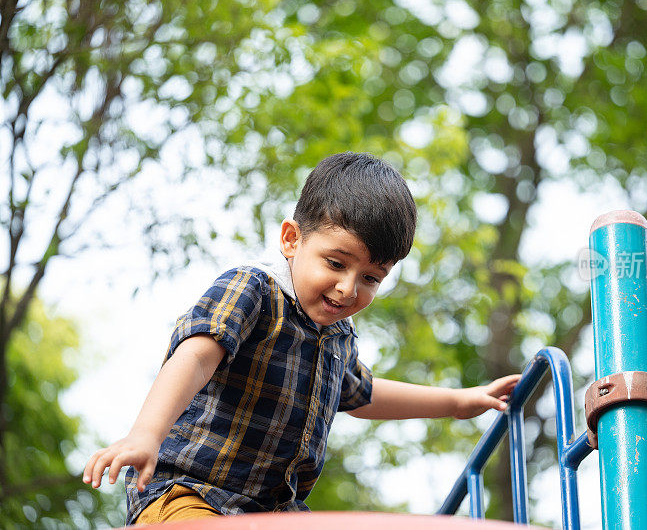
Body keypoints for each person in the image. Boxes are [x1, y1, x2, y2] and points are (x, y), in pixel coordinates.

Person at [83, 152, 520, 525]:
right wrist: (146, 434)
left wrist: (461, 401)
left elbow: (364, 395)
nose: (349, 289)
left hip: (275, 513)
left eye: (370, 277)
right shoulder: (253, 290)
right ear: (291, 240)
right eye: (335, 263)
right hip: (190, 493)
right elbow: (196, 357)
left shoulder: (338, 337)